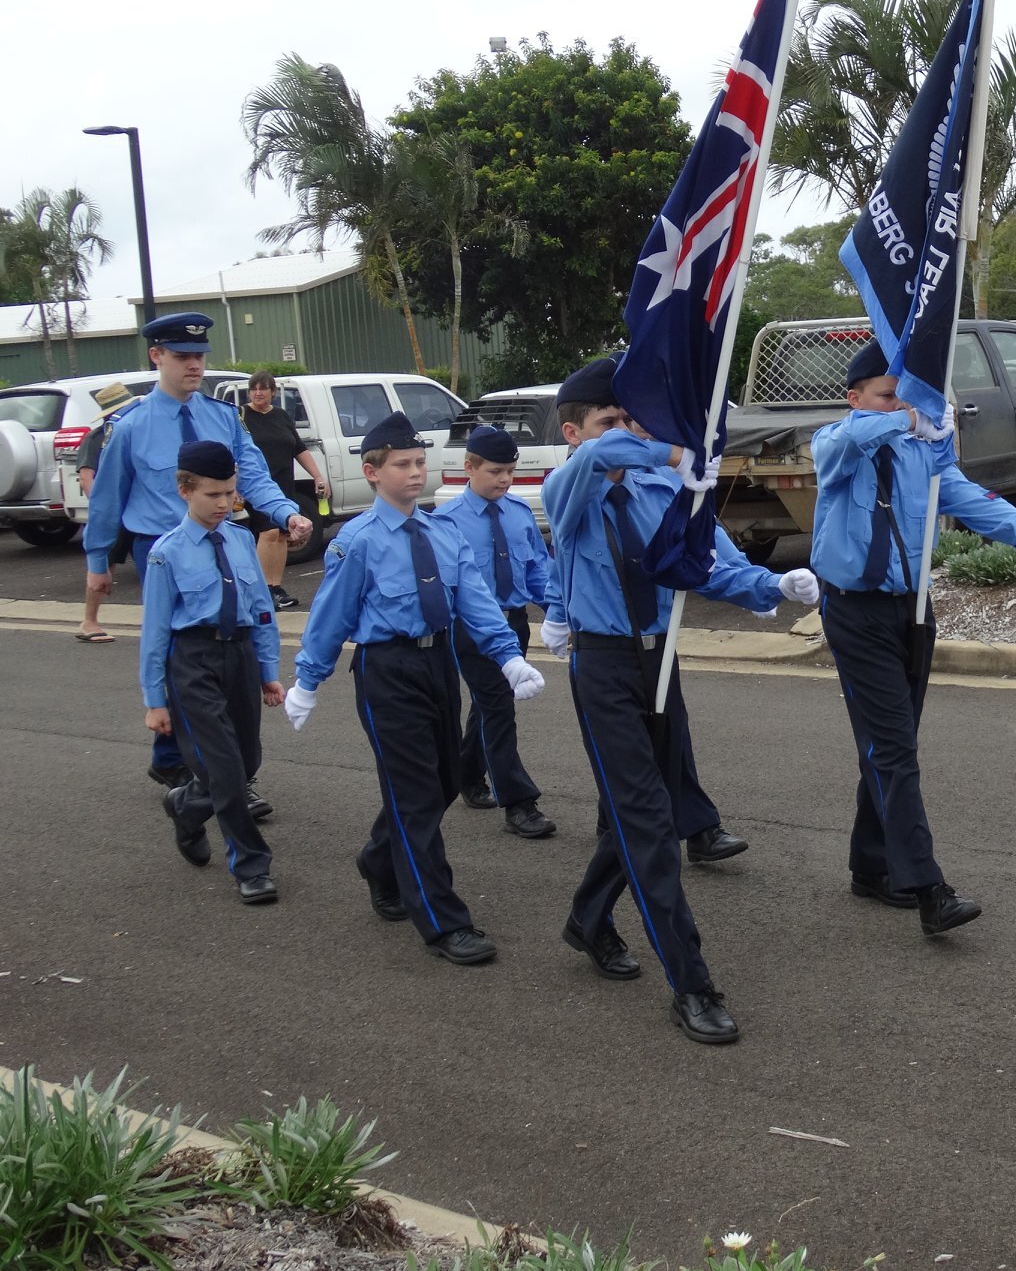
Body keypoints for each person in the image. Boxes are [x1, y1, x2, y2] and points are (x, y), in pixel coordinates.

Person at [540, 356, 819, 1045]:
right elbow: (605, 456)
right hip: (602, 664)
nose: (626, 432)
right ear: (574, 432)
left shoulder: (666, 483)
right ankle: (691, 982)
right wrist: (669, 443)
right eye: (610, 421)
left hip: (660, 662)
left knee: (647, 812)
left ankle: (587, 919)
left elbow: (714, 563)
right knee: (649, 826)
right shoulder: (568, 486)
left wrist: (772, 590)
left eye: (632, 418)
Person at [809, 341, 1016, 936]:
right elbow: (838, 446)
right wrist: (900, 420)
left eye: (907, 395)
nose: (902, 405)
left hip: (911, 610)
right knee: (894, 749)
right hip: (855, 612)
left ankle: (870, 864)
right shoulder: (840, 443)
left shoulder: (921, 451)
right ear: (855, 398)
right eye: (887, 395)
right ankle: (927, 885)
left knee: (893, 742)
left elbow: (965, 497)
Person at [284, 410, 546, 967]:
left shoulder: (442, 533)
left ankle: (380, 859)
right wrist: (308, 681)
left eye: (420, 462)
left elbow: (473, 600)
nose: (414, 472)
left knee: (447, 779)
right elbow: (331, 616)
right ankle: (443, 920)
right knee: (414, 795)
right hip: (387, 671)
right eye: (402, 464)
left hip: (438, 665)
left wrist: (507, 657)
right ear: (372, 471)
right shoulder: (356, 542)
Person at [82, 313, 311, 804]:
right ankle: (216, 775)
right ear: (156, 356)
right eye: (182, 356)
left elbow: (252, 474)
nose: (193, 366)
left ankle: (178, 760)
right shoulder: (130, 427)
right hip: (160, 549)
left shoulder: (223, 417)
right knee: (177, 654)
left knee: (231, 652)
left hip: (221, 546)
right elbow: (107, 498)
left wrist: (286, 513)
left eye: (200, 357)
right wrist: (98, 560)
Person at [138, 441, 284, 904]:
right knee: (224, 769)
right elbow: (156, 632)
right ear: (185, 490)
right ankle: (251, 865)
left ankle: (185, 804)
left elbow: (261, 610)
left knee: (247, 762)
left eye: (231, 494)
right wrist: (154, 699)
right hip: (193, 662)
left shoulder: (241, 540)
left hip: (239, 657)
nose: (224, 504)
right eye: (213, 495)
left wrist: (268, 671)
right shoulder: (167, 553)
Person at [440, 423, 556, 838]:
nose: (506, 479)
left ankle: (467, 774)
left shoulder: (520, 514)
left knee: (493, 702)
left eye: (510, 470)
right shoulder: (446, 522)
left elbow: (539, 572)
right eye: (495, 471)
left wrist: (559, 613)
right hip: (470, 629)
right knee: (498, 707)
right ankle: (519, 802)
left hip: (515, 623)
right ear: (469, 467)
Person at [238, 369, 330, 611]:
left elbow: (298, 448)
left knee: (281, 536)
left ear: (273, 392)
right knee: (268, 533)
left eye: (263, 388)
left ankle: (275, 587)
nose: (258, 393)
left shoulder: (281, 416)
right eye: (254, 389)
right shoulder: (241, 416)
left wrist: (318, 476)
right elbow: (232, 451)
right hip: (257, 487)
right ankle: (260, 591)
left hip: (283, 484)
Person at [75, 381, 142, 643]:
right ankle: (89, 620)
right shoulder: (96, 438)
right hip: (114, 511)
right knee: (104, 562)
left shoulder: (135, 431)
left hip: (139, 510)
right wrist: (104, 509)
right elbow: (86, 478)